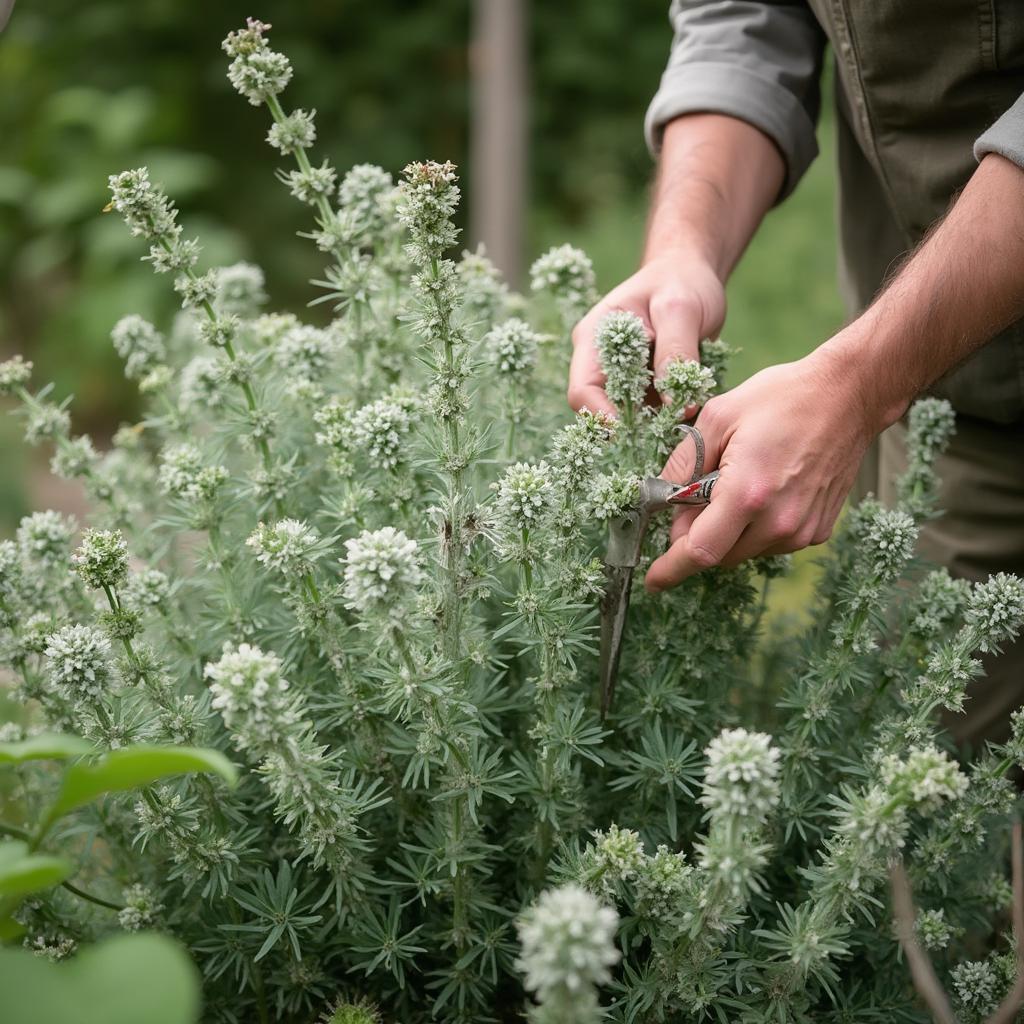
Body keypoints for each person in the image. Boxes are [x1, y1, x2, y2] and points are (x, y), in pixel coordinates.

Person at [568, 1, 1024, 747]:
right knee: (923, 788)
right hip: (953, 402)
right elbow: (743, 19)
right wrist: (683, 249)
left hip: (904, 367)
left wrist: (858, 381)